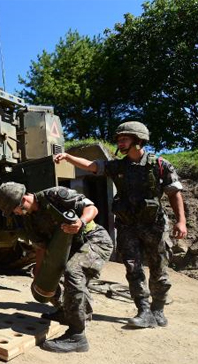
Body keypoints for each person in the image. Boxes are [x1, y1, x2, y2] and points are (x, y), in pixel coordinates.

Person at [54, 121, 187, 329]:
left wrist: (181, 221)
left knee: (159, 268)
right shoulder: (117, 166)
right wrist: (68, 157)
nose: (120, 142)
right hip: (127, 227)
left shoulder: (159, 165)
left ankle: (158, 309)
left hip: (154, 226)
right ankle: (143, 310)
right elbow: (91, 166)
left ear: (138, 140)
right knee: (133, 269)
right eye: (118, 139)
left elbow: (174, 193)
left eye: (124, 139)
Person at [0, 182, 113, 353]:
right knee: (45, 280)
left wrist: (81, 221)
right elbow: (41, 248)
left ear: (23, 200)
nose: (16, 213)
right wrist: (39, 274)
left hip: (94, 240)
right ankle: (66, 312)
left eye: (15, 209)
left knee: (73, 272)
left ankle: (77, 335)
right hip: (68, 249)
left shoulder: (55, 195)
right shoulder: (29, 221)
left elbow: (92, 208)